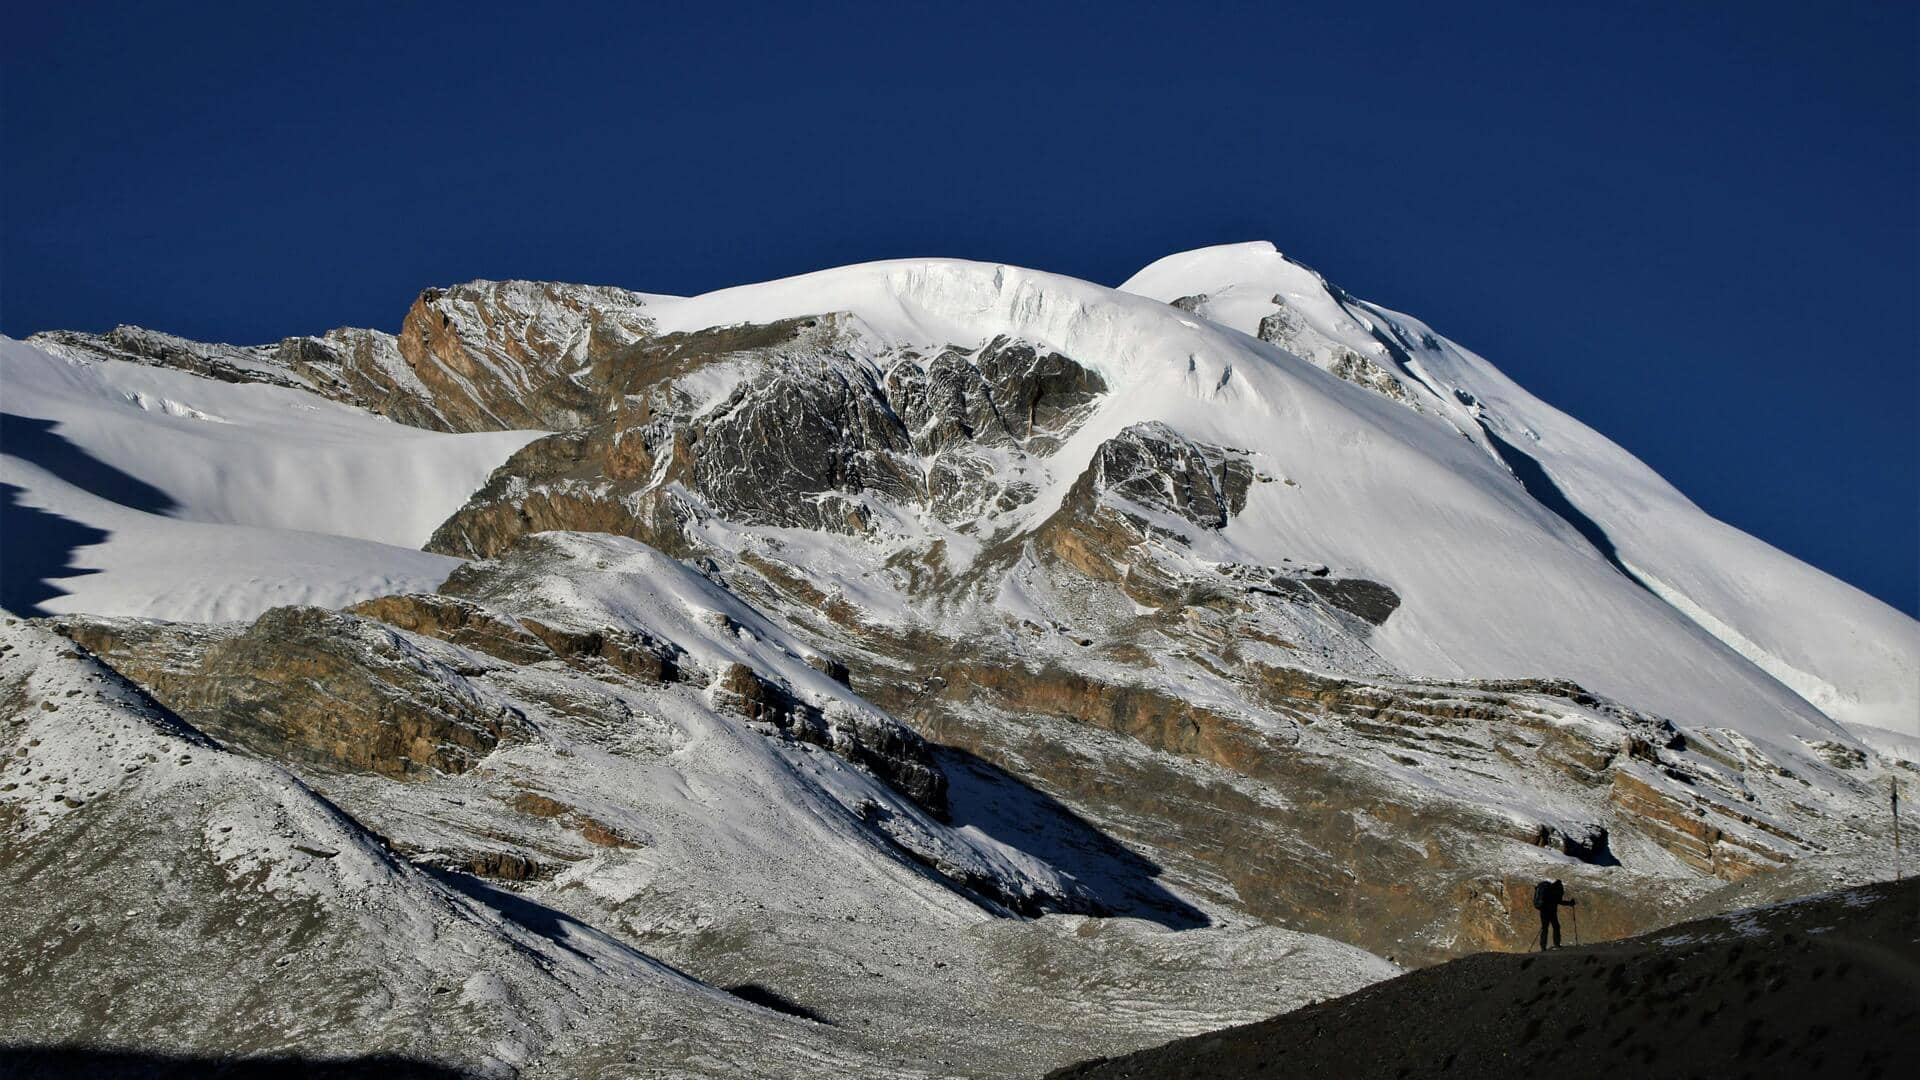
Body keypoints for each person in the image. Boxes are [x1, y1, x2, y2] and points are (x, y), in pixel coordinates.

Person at [1532, 879, 1575, 950]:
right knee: (1556, 926)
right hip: (1551, 912)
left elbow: (1556, 901)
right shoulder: (1555, 891)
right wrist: (1569, 903)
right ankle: (1557, 944)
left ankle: (1543, 947)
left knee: (1545, 928)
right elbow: (1559, 901)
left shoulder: (1550, 890)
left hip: (1544, 911)